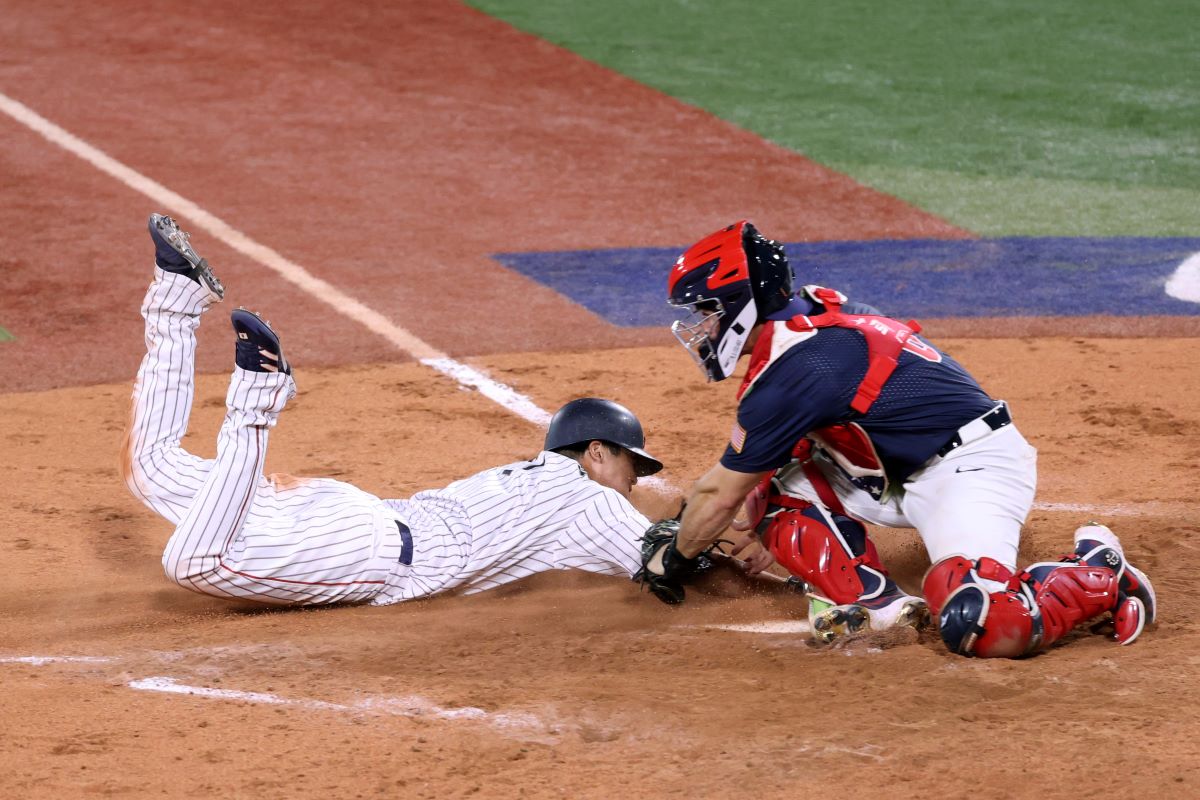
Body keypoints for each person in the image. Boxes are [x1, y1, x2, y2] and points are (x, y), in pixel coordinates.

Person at [640, 220, 1156, 658]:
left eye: (706, 312)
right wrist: (763, 525)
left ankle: (1099, 574)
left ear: (739, 304)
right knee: (767, 480)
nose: (701, 328)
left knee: (980, 622)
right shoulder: (812, 310)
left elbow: (717, 494)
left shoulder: (797, 366)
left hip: (968, 468)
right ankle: (878, 604)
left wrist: (677, 557)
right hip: (890, 469)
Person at [122, 214, 667, 606]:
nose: (632, 486)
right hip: (364, 550)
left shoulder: (529, 480)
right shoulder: (592, 502)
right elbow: (671, 569)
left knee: (151, 467)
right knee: (194, 563)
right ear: (596, 452)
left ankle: (176, 298)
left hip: (339, 513)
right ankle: (259, 397)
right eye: (631, 469)